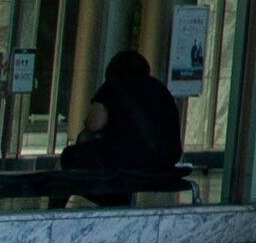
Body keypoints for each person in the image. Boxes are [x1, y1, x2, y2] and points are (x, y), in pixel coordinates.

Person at [58, 47, 186, 203]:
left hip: (127, 161)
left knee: (70, 155)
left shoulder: (113, 86)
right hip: (165, 162)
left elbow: (94, 124)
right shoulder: (161, 89)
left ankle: (57, 208)